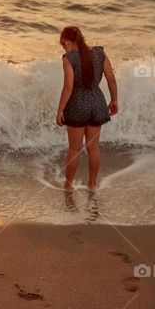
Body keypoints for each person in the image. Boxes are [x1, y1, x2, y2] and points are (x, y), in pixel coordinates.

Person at [55, 26, 118, 191]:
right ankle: (92, 184)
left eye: (63, 44)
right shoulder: (99, 53)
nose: (64, 47)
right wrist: (114, 100)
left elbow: (68, 87)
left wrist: (60, 110)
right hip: (97, 103)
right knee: (93, 147)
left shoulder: (69, 58)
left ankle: (68, 186)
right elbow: (111, 79)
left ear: (67, 41)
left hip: (77, 104)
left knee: (74, 149)